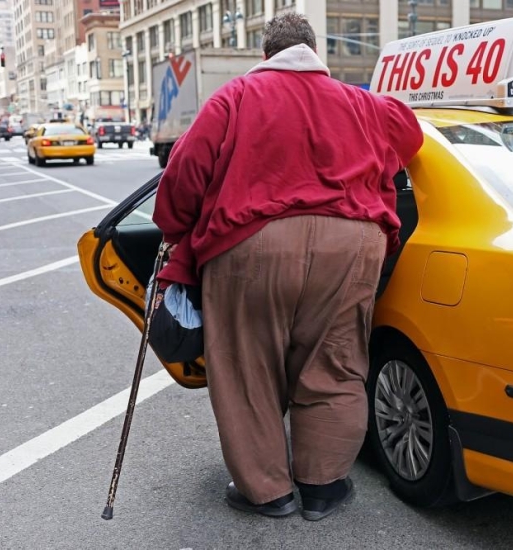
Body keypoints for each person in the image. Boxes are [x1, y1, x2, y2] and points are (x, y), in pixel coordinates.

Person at [152, 12, 423, 521]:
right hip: (352, 244)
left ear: (266, 55)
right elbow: (409, 134)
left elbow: (183, 176)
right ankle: (323, 488)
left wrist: (175, 229)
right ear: (314, 51)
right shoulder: (363, 103)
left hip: (252, 244)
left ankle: (267, 492)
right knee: (337, 365)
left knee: (247, 370)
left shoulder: (233, 99)